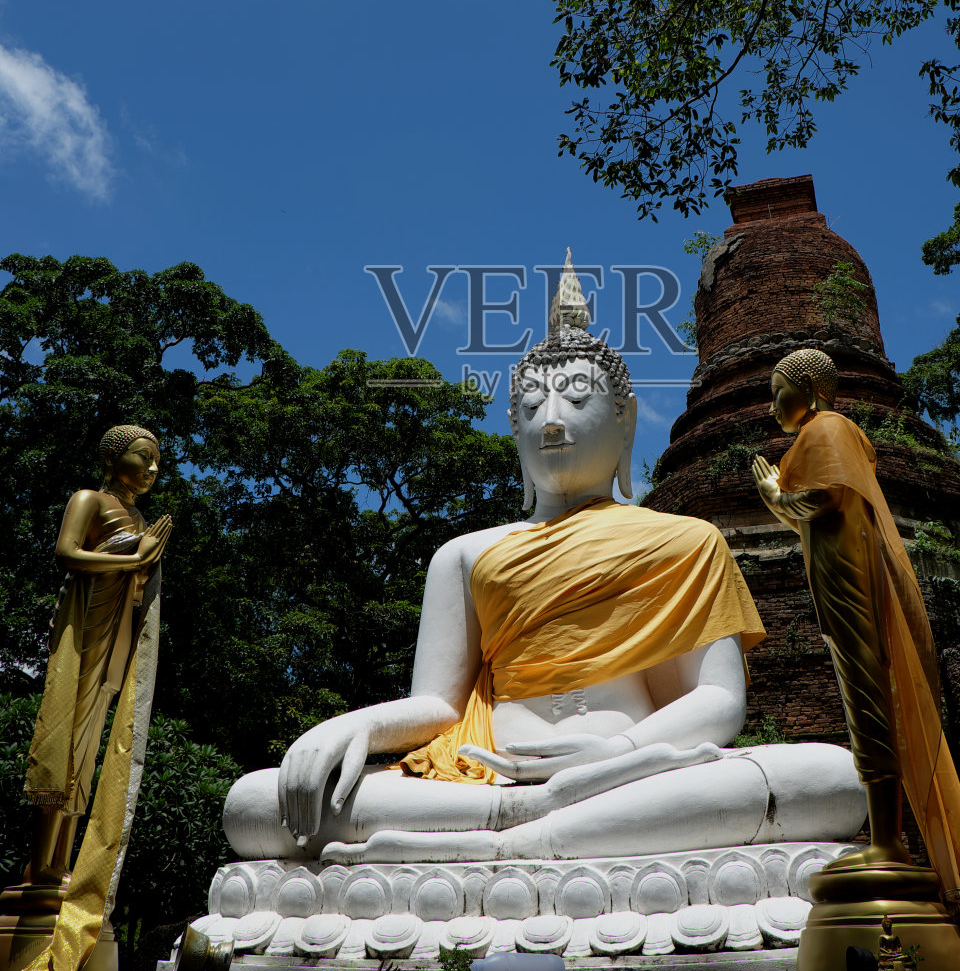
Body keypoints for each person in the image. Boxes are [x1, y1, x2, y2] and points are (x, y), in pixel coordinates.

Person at [224, 261, 864, 865]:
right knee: (258, 802)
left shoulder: (685, 539)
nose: (551, 421)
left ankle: (514, 844)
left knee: (828, 779)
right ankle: (540, 830)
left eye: (577, 399)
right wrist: (356, 725)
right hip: (482, 779)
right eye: (531, 405)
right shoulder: (465, 554)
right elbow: (438, 707)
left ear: (625, 422)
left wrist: (614, 755)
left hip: (629, 775)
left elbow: (719, 701)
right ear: (513, 429)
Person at [751, 348, 960, 901]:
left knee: (868, 695)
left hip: (852, 582)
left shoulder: (826, 426)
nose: (770, 406)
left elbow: (827, 498)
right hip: (839, 579)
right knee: (861, 698)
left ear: (810, 391)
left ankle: (888, 841)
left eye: (776, 391)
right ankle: (887, 837)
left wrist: (776, 499)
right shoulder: (818, 431)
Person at [1, 425, 171, 971]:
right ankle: (40, 872)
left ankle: (62, 868)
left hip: (114, 637)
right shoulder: (89, 500)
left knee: (88, 753)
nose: (151, 470)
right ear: (113, 458)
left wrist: (142, 565)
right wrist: (132, 560)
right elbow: (68, 554)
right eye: (142, 458)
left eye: (155, 462)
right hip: (82, 634)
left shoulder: (142, 519)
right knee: (63, 743)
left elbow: (137, 582)